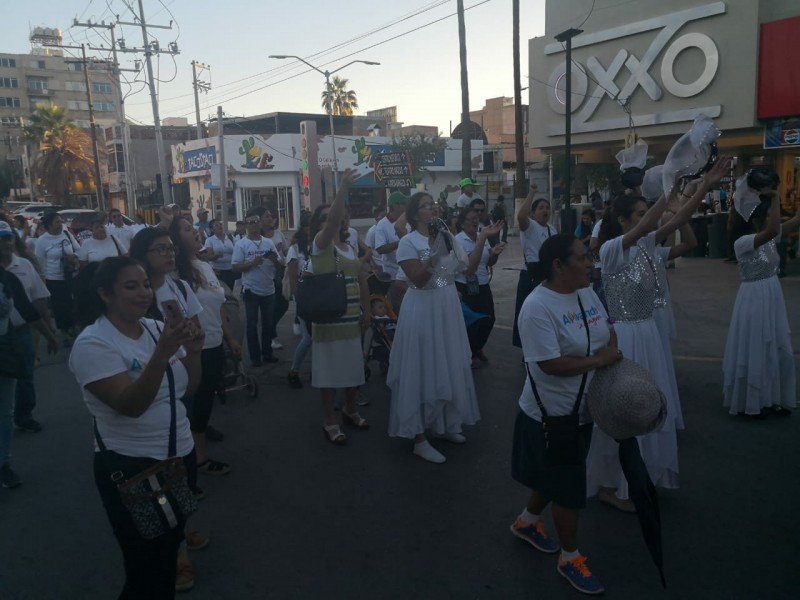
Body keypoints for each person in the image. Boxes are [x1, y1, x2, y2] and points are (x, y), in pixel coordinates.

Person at [587, 156, 731, 510]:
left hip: (648, 333)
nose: (645, 221)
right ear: (621, 220)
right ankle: (612, 485)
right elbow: (647, 226)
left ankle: (643, 475)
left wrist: (700, 189)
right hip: (625, 338)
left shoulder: (648, 247)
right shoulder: (611, 251)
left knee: (648, 408)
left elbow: (680, 220)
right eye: (638, 215)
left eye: (643, 214)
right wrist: (671, 186)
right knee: (623, 410)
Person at [69, 256, 204, 598]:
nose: (144, 293)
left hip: (179, 456)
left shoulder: (155, 328)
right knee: (146, 570)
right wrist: (161, 354)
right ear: (105, 294)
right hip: (135, 468)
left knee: (169, 551)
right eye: (131, 286)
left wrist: (195, 350)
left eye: (145, 284)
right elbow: (130, 405)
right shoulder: (93, 343)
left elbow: (188, 389)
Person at [510, 233, 620, 596]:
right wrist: (598, 361)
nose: (591, 262)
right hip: (553, 415)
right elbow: (549, 365)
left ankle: (527, 522)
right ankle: (569, 557)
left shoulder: (585, 292)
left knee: (557, 475)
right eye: (583, 257)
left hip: (586, 409)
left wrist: (608, 353)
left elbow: (608, 332)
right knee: (570, 489)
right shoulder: (537, 307)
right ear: (558, 265)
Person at [387, 192, 480, 463]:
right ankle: (418, 437)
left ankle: (446, 425)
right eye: (426, 206)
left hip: (445, 305)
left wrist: (481, 240)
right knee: (422, 367)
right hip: (422, 307)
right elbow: (416, 280)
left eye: (434, 205)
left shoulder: (447, 236)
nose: (433, 210)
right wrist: (433, 257)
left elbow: (464, 270)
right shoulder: (408, 242)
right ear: (415, 214)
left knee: (448, 363)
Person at [170, 216, 241, 474]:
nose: (196, 232)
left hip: (214, 343)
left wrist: (230, 337)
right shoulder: (174, 273)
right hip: (191, 349)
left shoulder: (204, 265)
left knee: (206, 398)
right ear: (176, 240)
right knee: (193, 401)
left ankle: (196, 440)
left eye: (195, 228)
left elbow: (217, 304)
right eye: (188, 230)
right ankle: (196, 458)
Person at [723, 181, 800, 417]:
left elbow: (795, 222)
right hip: (754, 296)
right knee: (756, 348)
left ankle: (773, 397)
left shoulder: (769, 238)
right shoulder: (744, 242)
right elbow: (774, 229)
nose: (772, 218)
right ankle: (754, 401)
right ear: (757, 219)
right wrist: (775, 197)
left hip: (771, 294)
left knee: (778, 349)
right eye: (768, 214)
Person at [309, 170, 371, 444]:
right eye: (324, 219)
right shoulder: (320, 246)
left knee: (352, 372)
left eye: (332, 218)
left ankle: (350, 409)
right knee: (328, 375)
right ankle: (329, 420)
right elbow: (334, 220)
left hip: (351, 321)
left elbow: (361, 279)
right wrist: (342, 190)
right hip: (328, 321)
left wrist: (367, 311)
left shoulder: (348, 247)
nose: (331, 222)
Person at [1, 223, 59, 489]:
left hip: (10, 342)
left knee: (5, 407)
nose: (5, 244)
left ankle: (3, 463)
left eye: (8, 238)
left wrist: (48, 334)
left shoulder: (14, 274)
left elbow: (31, 307)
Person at [454, 208, 505, 367]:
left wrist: (494, 254)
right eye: (470, 219)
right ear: (462, 224)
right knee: (470, 323)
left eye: (476, 218)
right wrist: (482, 238)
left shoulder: (480, 237)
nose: (474, 222)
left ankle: (476, 348)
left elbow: (488, 262)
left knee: (489, 319)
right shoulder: (458, 241)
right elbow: (469, 267)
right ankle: (468, 353)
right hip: (464, 286)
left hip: (482, 284)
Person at [231, 214, 281, 367]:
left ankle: (267, 353)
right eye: (250, 223)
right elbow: (235, 267)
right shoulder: (241, 244)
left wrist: (274, 260)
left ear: (260, 224)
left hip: (269, 289)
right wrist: (252, 263)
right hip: (251, 290)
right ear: (246, 226)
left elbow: (280, 264)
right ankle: (255, 357)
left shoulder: (268, 243)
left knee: (267, 324)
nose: (253, 225)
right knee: (252, 325)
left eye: (255, 222)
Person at [513, 185, 557, 348]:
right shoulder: (530, 226)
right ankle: (527, 348)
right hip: (531, 275)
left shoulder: (552, 229)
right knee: (528, 314)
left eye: (547, 208)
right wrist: (531, 193)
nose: (545, 210)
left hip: (548, 275)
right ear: (533, 213)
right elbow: (521, 215)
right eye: (540, 208)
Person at [35, 211, 80, 338]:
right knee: (60, 306)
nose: (60, 224)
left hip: (70, 275)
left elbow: (78, 249)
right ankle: (64, 330)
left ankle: (73, 326)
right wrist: (43, 281)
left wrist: (74, 257)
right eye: (57, 222)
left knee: (73, 302)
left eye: (61, 221)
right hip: (54, 278)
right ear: (49, 225)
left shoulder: (66, 234)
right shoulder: (42, 241)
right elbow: (40, 263)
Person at [286, 212, 312, 389]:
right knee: (308, 337)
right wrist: (298, 299)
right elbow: (293, 277)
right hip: (304, 296)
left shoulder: (320, 244)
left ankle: (318, 370)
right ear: (303, 227)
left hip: (321, 295)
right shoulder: (294, 249)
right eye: (310, 224)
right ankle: (294, 371)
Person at [259, 209, 289, 350]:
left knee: (283, 304)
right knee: (272, 306)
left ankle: (270, 329)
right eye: (267, 216)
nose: (270, 218)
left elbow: (286, 251)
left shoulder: (278, 234)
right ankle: (271, 335)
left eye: (271, 216)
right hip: (265, 275)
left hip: (279, 272)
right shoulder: (259, 237)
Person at [375, 192, 410, 309]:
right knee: (398, 307)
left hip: (410, 273)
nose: (406, 206)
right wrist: (402, 242)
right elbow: (380, 249)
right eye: (404, 204)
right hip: (393, 275)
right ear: (395, 206)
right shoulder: (382, 225)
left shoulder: (408, 220)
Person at [202, 219, 237, 291]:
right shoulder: (209, 240)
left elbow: (236, 250)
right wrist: (216, 256)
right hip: (218, 271)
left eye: (220, 224)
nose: (220, 226)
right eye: (216, 225)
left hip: (230, 270)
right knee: (221, 291)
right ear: (212, 229)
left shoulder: (230, 237)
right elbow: (208, 257)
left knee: (230, 291)